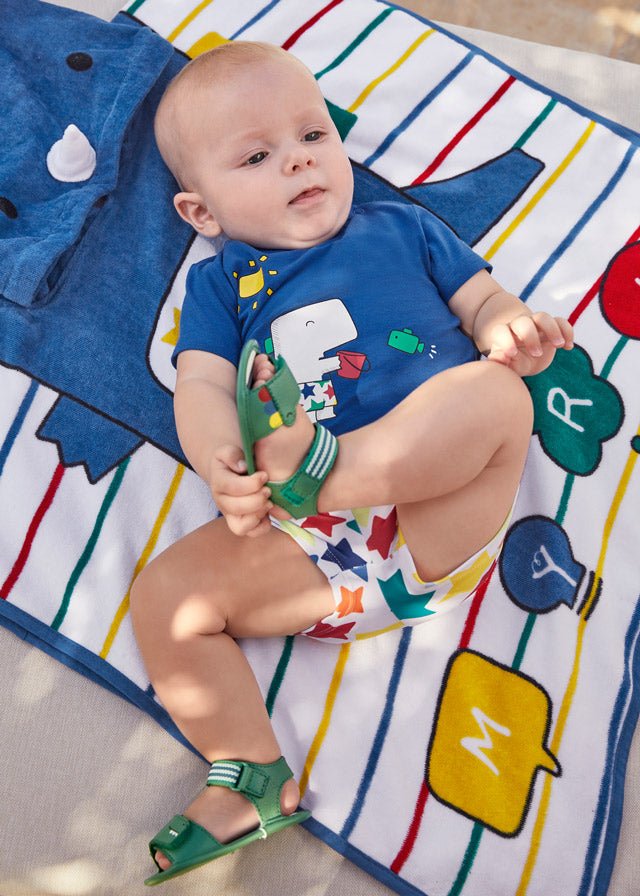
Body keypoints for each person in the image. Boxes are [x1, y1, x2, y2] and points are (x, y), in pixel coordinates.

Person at [131, 40, 574, 885]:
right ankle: (250, 773)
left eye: (314, 135)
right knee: (165, 596)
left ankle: (331, 469)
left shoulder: (403, 227)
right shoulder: (219, 287)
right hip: (309, 548)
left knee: (497, 397)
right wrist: (219, 459)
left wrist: (510, 329)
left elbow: (482, 298)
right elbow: (201, 385)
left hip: (435, 512)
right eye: (257, 157)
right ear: (201, 212)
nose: (300, 159)